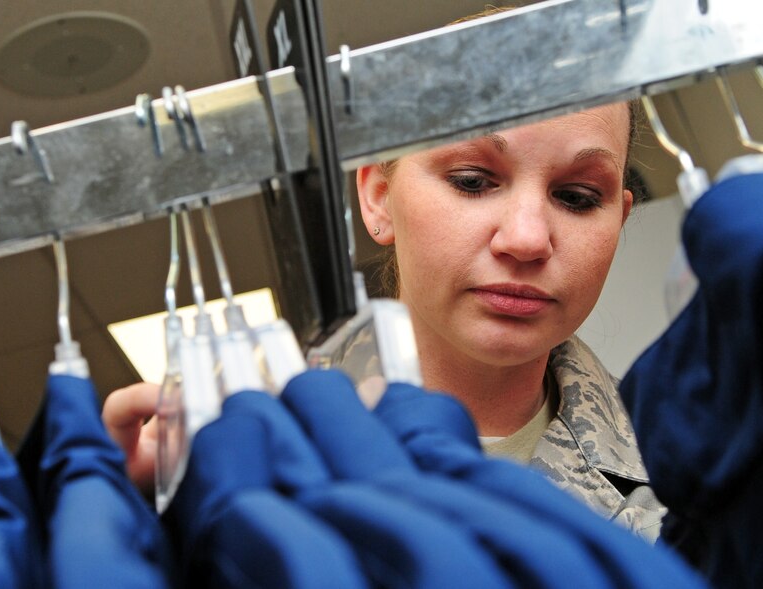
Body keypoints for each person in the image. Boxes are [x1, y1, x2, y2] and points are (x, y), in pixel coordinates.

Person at [103, 99, 665, 542]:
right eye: (472, 180)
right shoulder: (244, 455)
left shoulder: (690, 467)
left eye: (577, 196)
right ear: (377, 197)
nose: (525, 238)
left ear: (619, 220)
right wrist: (145, 528)